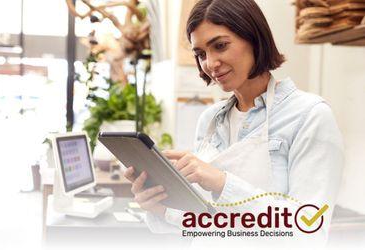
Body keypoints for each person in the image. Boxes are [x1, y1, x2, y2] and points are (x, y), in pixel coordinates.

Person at [124, 0, 343, 247]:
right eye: (201, 54)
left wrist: (222, 182)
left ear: (254, 37)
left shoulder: (309, 116)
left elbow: (309, 231)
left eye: (220, 46)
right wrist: (160, 208)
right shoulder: (209, 120)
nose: (210, 63)